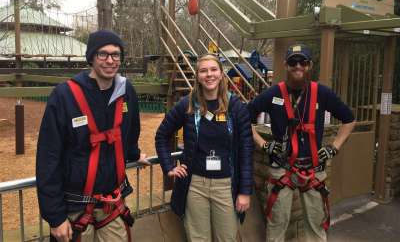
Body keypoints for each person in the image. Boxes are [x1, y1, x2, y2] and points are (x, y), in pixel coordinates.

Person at [36, 30, 149, 242]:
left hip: (111, 202)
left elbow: (131, 130)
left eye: (115, 55)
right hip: (75, 206)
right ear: (91, 58)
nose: (110, 60)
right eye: (102, 54)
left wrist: (134, 153)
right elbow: (48, 157)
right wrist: (55, 217)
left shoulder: (126, 91)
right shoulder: (65, 95)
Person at [247, 44, 355, 242]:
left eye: (302, 62)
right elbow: (245, 119)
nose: (298, 66)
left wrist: (334, 147)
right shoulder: (273, 94)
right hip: (282, 169)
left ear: (310, 65)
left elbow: (349, 119)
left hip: (314, 169)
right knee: (277, 224)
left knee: (316, 224)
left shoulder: (322, 94)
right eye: (293, 62)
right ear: (286, 65)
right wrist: (263, 144)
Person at [155, 54, 254, 241]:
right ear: (197, 75)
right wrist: (169, 167)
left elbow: (246, 150)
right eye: (203, 70)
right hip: (195, 185)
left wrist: (244, 191)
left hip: (226, 185)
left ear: (221, 73)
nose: (209, 75)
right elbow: (162, 135)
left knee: (227, 237)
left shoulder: (236, 107)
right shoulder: (187, 104)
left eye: (213, 69)